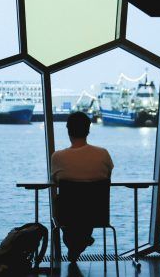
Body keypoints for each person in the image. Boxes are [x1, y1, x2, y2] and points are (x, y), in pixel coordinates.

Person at [51, 111, 114, 262]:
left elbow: (54, 180)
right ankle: (80, 244)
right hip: (97, 214)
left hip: (67, 214)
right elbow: (108, 176)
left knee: (66, 209)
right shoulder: (103, 154)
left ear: (68, 131)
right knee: (86, 211)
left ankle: (76, 246)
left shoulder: (58, 157)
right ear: (88, 130)